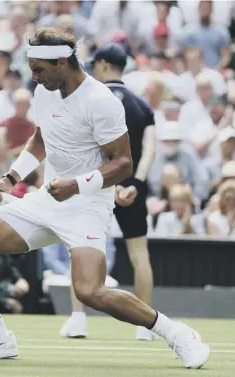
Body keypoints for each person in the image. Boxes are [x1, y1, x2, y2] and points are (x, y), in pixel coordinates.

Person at [0, 28, 209, 368]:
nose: (34, 76)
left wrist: (77, 185)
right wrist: (11, 178)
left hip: (87, 206)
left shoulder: (101, 101)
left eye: (39, 69)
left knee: (89, 292)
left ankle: (177, 334)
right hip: (47, 201)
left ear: (62, 61)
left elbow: (124, 164)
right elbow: (41, 139)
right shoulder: (44, 91)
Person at [59, 42, 157, 341]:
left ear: (102, 64)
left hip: (97, 186)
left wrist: (105, 184)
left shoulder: (92, 100)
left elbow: (88, 147)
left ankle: (78, 319)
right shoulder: (142, 105)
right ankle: (144, 325)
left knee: (82, 250)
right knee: (139, 254)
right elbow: (150, 148)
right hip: (131, 189)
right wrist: (134, 185)